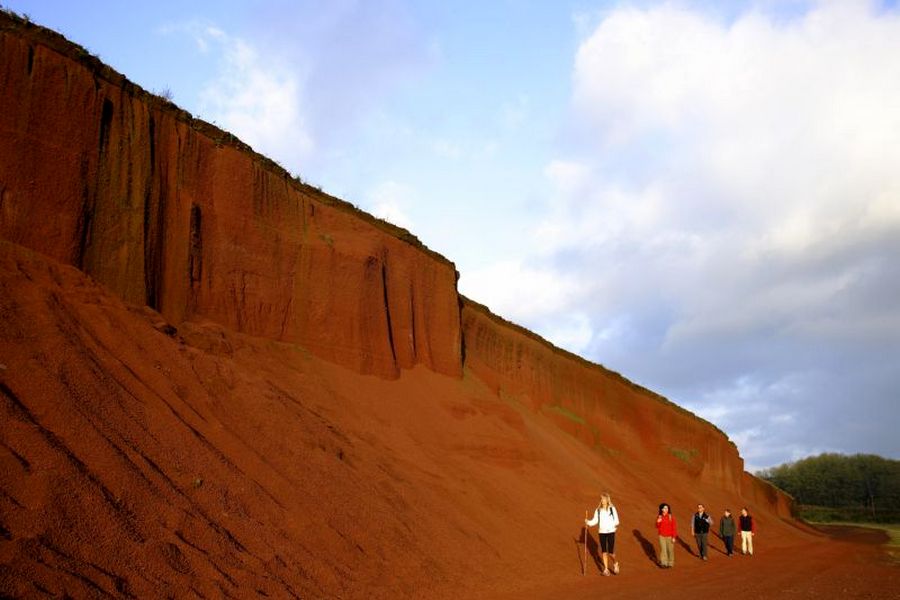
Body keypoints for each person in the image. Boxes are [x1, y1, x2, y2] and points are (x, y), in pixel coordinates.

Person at [585, 492, 621, 576]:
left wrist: (613, 526)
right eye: (601, 499)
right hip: (602, 532)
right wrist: (588, 522)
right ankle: (606, 569)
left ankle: (615, 563)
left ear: (607, 500)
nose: (602, 500)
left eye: (603, 499)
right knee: (604, 551)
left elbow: (617, 521)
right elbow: (595, 521)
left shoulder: (612, 509)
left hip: (611, 531)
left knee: (611, 552)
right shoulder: (598, 510)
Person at [656, 503, 677, 568]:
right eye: (664, 508)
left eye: (667, 508)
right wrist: (658, 522)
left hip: (669, 536)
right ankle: (664, 563)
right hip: (661, 536)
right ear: (661, 509)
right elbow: (657, 526)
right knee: (663, 550)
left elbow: (674, 528)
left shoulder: (671, 517)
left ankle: (670, 563)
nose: (666, 509)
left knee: (670, 550)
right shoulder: (659, 517)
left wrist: (674, 537)